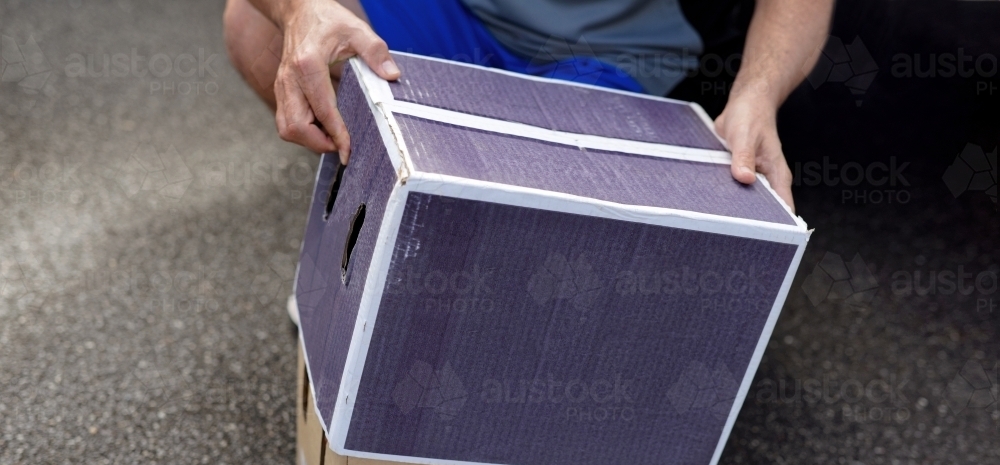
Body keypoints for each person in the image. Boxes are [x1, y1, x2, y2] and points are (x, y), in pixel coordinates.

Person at [224, 0, 834, 212]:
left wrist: (757, 91)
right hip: (464, 17)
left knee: (536, 211)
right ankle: (367, 235)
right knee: (259, 22)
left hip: (612, 53)